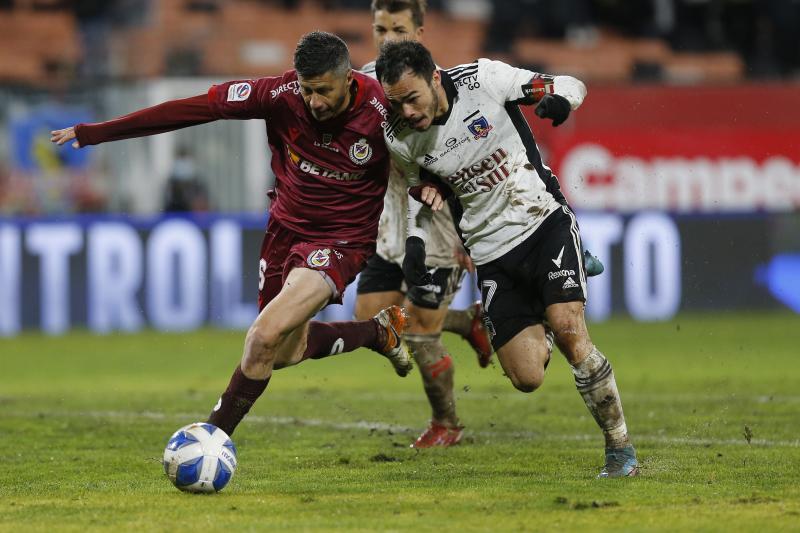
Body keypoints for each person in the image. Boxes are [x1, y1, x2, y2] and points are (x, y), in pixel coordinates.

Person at [51, 31, 416, 438]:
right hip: (284, 231)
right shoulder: (279, 95)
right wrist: (96, 133)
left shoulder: (384, 110)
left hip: (341, 241)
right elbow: (191, 109)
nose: (314, 101)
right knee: (283, 353)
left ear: (348, 79)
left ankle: (209, 440)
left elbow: (435, 147)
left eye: (323, 91)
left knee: (262, 337)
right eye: (307, 89)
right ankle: (376, 331)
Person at [375, 40, 639, 477]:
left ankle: (619, 448)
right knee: (526, 377)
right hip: (490, 252)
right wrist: (416, 244)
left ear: (434, 78)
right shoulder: (400, 135)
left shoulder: (485, 80)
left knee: (571, 330)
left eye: (412, 97)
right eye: (396, 102)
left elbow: (570, 83)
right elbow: (420, 194)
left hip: (541, 221)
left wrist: (559, 100)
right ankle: (550, 298)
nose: (406, 111)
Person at [355, 0, 492, 449]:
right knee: (368, 318)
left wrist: (467, 233)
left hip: (435, 221)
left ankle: (446, 423)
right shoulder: (363, 84)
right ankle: (468, 321)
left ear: (419, 32)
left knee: (417, 331)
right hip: (388, 221)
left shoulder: (435, 90)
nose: (388, 38)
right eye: (380, 29)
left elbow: (464, 164)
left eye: (398, 29)